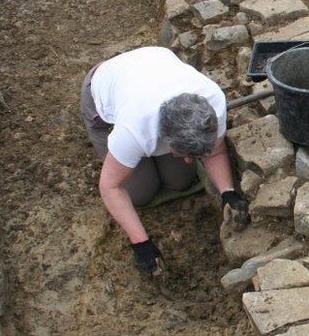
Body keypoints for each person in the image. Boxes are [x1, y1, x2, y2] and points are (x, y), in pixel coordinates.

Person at [79, 47, 249, 275]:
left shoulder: (212, 103)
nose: (190, 160)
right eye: (185, 153)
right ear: (165, 138)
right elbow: (110, 187)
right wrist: (142, 244)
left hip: (154, 60)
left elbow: (216, 152)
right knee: (141, 193)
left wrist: (227, 192)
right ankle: (138, 161)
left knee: (181, 180)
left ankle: (151, 161)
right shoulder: (133, 129)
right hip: (102, 93)